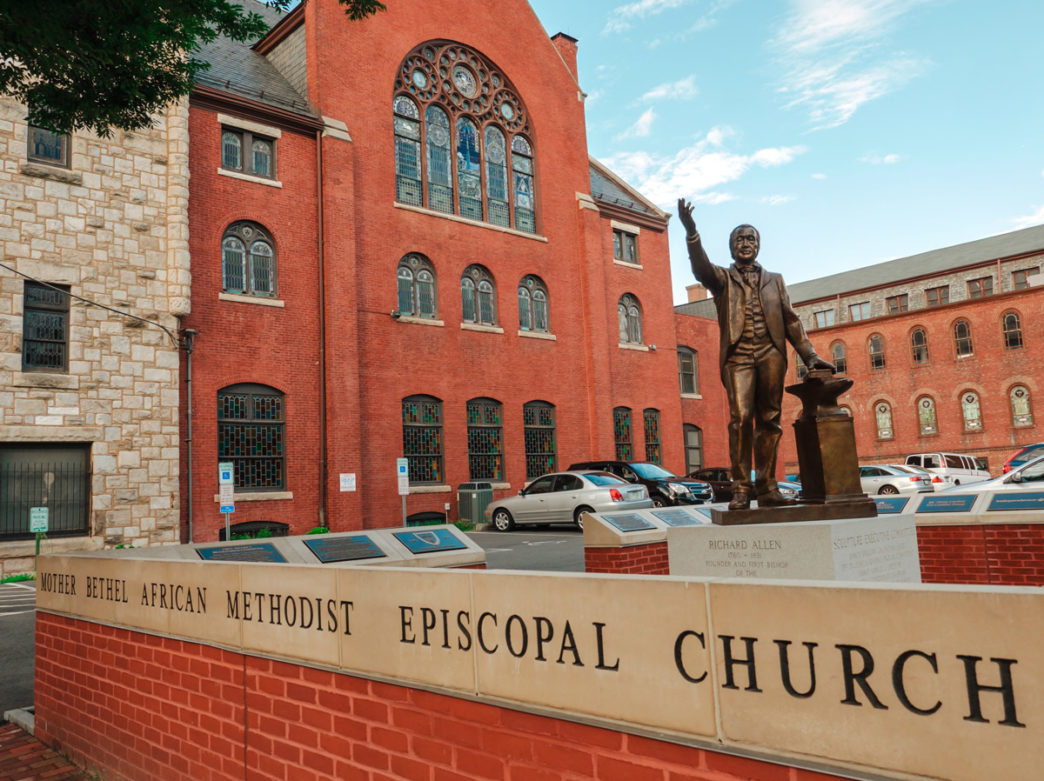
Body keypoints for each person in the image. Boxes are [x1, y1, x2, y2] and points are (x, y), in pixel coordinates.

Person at [678, 199, 833, 510]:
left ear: (758, 245)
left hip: (771, 353)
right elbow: (700, 268)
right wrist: (692, 233)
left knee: (770, 420)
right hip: (738, 356)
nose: (745, 243)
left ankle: (767, 487)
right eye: (739, 239)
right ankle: (740, 488)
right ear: (731, 247)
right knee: (740, 419)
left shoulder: (775, 280)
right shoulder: (722, 279)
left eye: (751, 239)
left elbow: (790, 319)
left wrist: (810, 356)